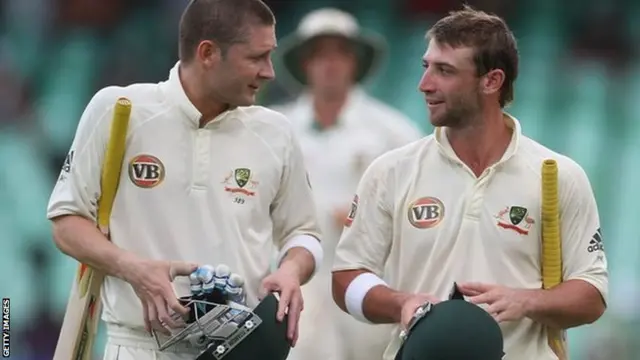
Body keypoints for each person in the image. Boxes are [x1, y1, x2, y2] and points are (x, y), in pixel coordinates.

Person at [46, 1, 323, 359]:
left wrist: (290, 271)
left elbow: (305, 234)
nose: (269, 72)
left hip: (240, 350)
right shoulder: (119, 109)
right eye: (256, 58)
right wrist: (132, 268)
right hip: (139, 347)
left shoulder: (276, 132)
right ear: (208, 53)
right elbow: (66, 223)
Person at [331, 6, 608, 360]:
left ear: (491, 81)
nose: (424, 84)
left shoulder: (559, 174)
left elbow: (592, 295)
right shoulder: (390, 170)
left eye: (444, 71)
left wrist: (526, 301)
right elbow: (345, 280)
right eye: (425, 66)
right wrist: (400, 303)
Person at [269, 8, 423, 360]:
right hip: (298, 284)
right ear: (304, 64)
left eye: (340, 53)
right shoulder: (276, 130)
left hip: (370, 284)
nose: (330, 63)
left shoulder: (393, 132)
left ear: (355, 62)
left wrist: (367, 221)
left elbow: (420, 209)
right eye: (319, 54)